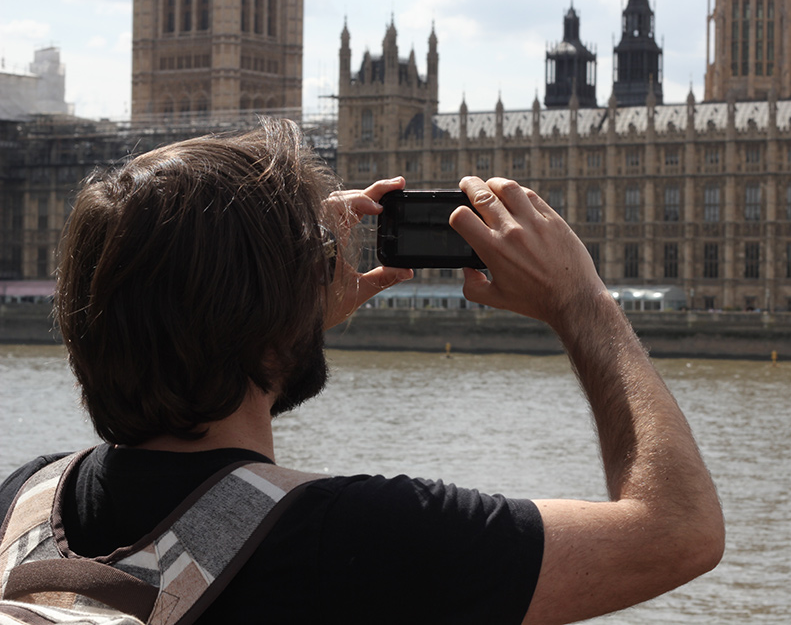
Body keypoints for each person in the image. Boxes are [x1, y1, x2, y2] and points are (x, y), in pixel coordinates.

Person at [0, 118, 724, 624]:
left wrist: (273, 316)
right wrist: (581, 301)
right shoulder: (349, 540)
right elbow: (679, 529)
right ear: (272, 335)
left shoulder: (21, 500)